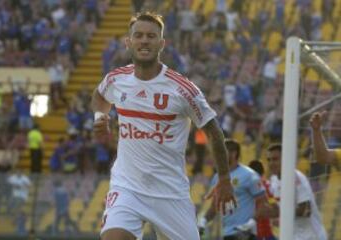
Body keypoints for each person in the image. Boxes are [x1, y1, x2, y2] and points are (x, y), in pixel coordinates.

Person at [92, 12, 236, 240]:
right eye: (138, 35)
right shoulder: (116, 80)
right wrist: (100, 116)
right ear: (129, 42)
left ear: (162, 43)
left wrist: (225, 179)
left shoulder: (182, 90)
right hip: (127, 188)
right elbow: (100, 96)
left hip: (170, 193)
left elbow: (213, 130)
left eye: (151, 36)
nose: (144, 41)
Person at [199, 139, 278, 240]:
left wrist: (251, 223)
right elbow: (215, 206)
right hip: (227, 233)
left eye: (222, 152)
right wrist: (204, 220)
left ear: (233, 153)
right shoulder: (217, 178)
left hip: (245, 234)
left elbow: (263, 204)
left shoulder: (249, 175)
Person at [266, 143, 327, 240]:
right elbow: (276, 209)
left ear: (285, 158)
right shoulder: (273, 181)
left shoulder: (295, 177)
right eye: (268, 160)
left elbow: (306, 210)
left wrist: (283, 218)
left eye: (275, 159)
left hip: (311, 236)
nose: (271, 163)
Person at [248, 160, 277, 240]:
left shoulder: (248, 187)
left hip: (258, 233)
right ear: (262, 173)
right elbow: (273, 203)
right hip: (265, 232)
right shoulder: (267, 186)